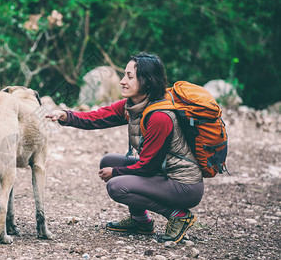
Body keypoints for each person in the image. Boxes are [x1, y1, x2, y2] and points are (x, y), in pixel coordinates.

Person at [46, 53, 204, 243]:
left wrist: (115, 172)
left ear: (146, 81)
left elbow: (147, 168)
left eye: (129, 77)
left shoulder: (160, 117)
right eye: (124, 75)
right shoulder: (135, 105)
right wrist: (66, 116)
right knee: (108, 160)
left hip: (183, 185)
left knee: (117, 185)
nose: (122, 81)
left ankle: (178, 215)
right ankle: (141, 222)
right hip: (163, 173)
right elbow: (98, 117)